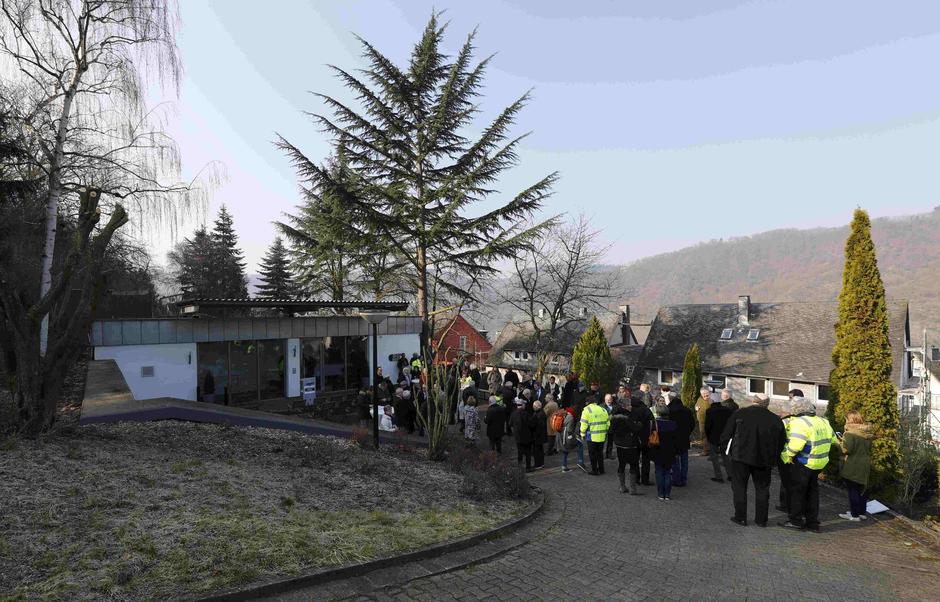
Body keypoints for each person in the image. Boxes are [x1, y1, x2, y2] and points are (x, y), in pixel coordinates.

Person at [721, 393, 786, 527]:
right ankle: (761, 520)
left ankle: (740, 517)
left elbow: (726, 434)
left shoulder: (740, 414)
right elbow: (781, 442)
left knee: (739, 487)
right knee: (762, 489)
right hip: (764, 460)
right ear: (767, 404)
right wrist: (774, 458)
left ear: (753, 401)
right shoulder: (775, 419)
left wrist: (727, 451)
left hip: (740, 457)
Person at [779, 397, 838, 532]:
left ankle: (795, 521)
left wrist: (786, 457)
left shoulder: (800, 422)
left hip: (804, 462)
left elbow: (796, 445)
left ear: (796, 409)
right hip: (819, 462)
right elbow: (834, 440)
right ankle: (812, 522)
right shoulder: (823, 421)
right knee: (812, 492)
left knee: (797, 492)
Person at [838, 410, 872, 522]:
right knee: (862, 489)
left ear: (850, 420)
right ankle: (861, 513)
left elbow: (846, 450)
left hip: (853, 463)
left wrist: (838, 443)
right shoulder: (867, 432)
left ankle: (854, 515)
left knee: (852, 489)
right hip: (865, 464)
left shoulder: (849, 433)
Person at [609, 405, 643, 494]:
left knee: (621, 465)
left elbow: (611, 431)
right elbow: (635, 429)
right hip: (630, 445)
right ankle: (632, 489)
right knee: (633, 465)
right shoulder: (627, 418)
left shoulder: (613, 419)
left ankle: (622, 486)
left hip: (619, 445)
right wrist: (639, 425)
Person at [651, 402, 678, 500]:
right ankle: (667, 494)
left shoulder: (655, 424)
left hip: (658, 450)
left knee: (659, 472)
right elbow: (676, 439)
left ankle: (660, 493)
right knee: (667, 472)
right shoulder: (673, 424)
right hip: (670, 451)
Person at [704, 392, 734, 482]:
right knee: (726, 455)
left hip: (713, 437)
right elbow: (731, 424)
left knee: (714, 457)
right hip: (725, 436)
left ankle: (719, 476)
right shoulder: (727, 410)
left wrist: (707, 435)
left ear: (712, 400)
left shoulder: (710, 411)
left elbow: (708, 426)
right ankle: (730, 475)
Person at [667, 392, 694, 487]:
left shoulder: (669, 410)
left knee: (675, 460)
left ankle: (676, 479)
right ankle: (683, 478)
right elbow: (692, 424)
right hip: (684, 438)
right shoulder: (687, 410)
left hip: (673, 438)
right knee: (684, 459)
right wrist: (687, 433)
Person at [580, 396, 610, 475]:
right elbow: (608, 423)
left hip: (591, 436)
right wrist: (604, 431)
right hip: (602, 435)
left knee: (592, 454)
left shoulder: (586, 410)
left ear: (587, 402)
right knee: (600, 453)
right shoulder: (603, 409)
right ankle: (601, 469)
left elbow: (583, 424)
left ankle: (594, 470)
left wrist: (582, 434)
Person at [630, 394, 655, 486]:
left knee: (635, 459)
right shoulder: (645, 409)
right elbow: (652, 423)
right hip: (645, 438)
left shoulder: (631, 410)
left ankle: (636, 479)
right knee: (646, 459)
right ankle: (645, 479)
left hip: (634, 438)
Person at [510, 398, 534, 472]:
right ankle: (528, 467)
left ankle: (520, 467)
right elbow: (531, 424)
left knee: (519, 452)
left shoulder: (513, 414)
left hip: (518, 437)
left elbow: (510, 424)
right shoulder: (526, 414)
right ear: (523, 405)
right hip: (527, 437)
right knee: (528, 453)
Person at [695, 387, 712, 456]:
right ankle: (705, 450)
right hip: (701, 421)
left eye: (706, 393)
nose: (705, 395)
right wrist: (696, 408)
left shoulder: (711, 400)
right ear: (701, 394)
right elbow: (696, 405)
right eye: (703, 393)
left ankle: (707, 451)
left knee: (708, 436)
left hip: (709, 421)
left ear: (709, 392)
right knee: (703, 436)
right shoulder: (699, 399)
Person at [531, 400, 547, 469]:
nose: (533, 407)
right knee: (539, 450)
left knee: (537, 451)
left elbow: (540, 426)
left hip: (538, 435)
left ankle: (538, 464)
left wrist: (535, 433)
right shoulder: (539, 413)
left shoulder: (540, 414)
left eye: (534, 406)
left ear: (539, 406)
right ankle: (540, 463)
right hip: (539, 435)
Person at [603, 393, 618, 459]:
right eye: (606, 400)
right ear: (604, 400)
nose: (608, 401)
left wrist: (614, 417)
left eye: (609, 399)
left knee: (610, 442)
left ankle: (609, 454)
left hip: (612, 427)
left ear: (612, 399)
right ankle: (601, 455)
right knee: (602, 442)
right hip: (603, 427)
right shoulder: (601, 407)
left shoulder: (616, 407)